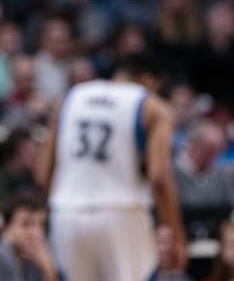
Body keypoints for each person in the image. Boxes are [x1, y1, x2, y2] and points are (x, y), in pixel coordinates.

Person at [37, 52, 186, 281]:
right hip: (122, 211)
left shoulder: (70, 97)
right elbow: (159, 176)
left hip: (66, 211)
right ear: (149, 80)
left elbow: (43, 173)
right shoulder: (152, 106)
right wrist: (176, 234)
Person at [0, 193, 58, 281]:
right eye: (26, 224)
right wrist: (48, 272)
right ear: (5, 228)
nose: (36, 233)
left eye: (41, 224)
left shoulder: (37, 258)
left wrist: (48, 270)